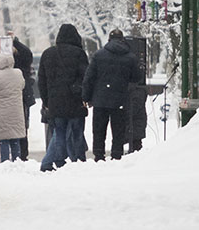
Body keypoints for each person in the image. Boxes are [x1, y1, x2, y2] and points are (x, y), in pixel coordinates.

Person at [82, 29, 143, 161]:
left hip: (100, 100)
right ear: (122, 40)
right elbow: (137, 77)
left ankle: (99, 154)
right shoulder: (130, 57)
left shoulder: (98, 55)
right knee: (118, 129)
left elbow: (89, 78)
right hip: (120, 100)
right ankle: (116, 154)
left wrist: (86, 97)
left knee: (99, 130)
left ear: (109, 40)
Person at [37, 23, 89, 172]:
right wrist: (83, 95)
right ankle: (78, 160)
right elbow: (85, 77)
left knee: (58, 132)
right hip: (75, 101)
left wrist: (46, 101)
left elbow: (42, 81)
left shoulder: (48, 54)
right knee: (77, 132)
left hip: (55, 101)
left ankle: (59, 161)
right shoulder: (79, 54)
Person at [0, 52, 25, 162]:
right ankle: (17, 162)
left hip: (0, 112)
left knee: (3, 140)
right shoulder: (18, 73)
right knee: (15, 140)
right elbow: (22, 85)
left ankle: (5, 163)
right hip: (16, 112)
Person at [12, 36, 35, 160]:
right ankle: (22, 154)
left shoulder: (21, 61)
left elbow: (27, 53)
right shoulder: (23, 66)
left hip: (21, 97)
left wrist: (15, 41)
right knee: (21, 127)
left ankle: (22, 154)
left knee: (21, 127)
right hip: (22, 96)